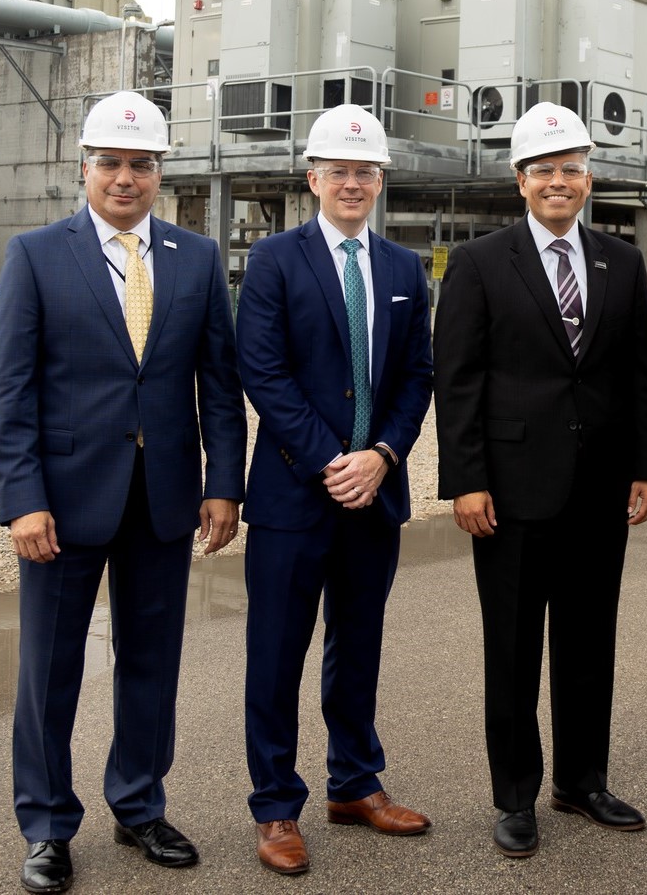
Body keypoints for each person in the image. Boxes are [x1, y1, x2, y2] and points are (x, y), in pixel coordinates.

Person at [0, 91, 247, 894]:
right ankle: (48, 825)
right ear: (86, 167)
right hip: (64, 503)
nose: (125, 177)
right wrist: (22, 498)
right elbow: (8, 389)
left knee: (151, 664)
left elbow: (219, 385)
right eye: (111, 163)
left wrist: (223, 485)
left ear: (160, 172)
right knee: (51, 670)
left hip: (164, 498)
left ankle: (138, 803)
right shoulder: (36, 254)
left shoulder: (196, 258)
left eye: (141, 163)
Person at [434, 101, 647, 859]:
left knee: (588, 639)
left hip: (599, 487)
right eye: (544, 170)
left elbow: (639, 375)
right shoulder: (477, 263)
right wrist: (465, 479)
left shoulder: (621, 261)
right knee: (511, 647)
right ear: (520, 180)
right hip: (508, 489)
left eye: (571, 168)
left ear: (589, 176)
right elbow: (458, 380)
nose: (559, 182)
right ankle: (515, 795)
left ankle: (582, 778)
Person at [234, 105, 436, 876]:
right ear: (313, 177)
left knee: (359, 646)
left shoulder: (402, 269)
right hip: (295, 494)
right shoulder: (276, 261)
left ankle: (354, 781)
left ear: (380, 181)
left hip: (374, 494)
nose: (353, 183)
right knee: (277, 652)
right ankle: (276, 806)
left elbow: (416, 377)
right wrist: (332, 460)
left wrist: (382, 454)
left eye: (366, 171)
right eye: (340, 170)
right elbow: (265, 373)